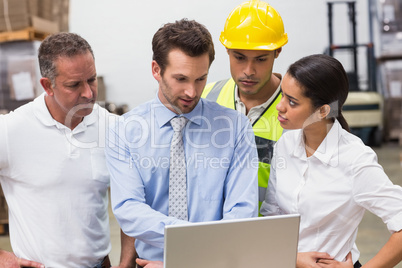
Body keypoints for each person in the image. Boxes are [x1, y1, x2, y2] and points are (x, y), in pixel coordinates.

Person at [105, 19, 258, 267]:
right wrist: (190, 240)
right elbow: (129, 209)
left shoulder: (235, 128)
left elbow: (242, 210)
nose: (192, 92)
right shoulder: (124, 131)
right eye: (181, 79)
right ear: (156, 70)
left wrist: (194, 258)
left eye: (201, 79)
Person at [0, 32, 135, 268]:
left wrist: (125, 264)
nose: (88, 93)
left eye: (91, 79)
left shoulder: (113, 128)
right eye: (74, 85)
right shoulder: (12, 131)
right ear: (47, 85)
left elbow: (134, 204)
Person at [260, 54, 402, 268]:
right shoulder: (285, 144)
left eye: (292, 101)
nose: (280, 107)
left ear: (323, 110)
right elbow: (273, 214)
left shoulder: (355, 159)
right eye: (282, 95)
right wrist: (293, 258)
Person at [201, 0, 288, 212]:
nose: (249, 70)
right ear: (227, 51)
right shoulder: (204, 97)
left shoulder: (299, 109)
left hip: (271, 235)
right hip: (211, 231)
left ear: (277, 52)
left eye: (260, 59)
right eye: (239, 57)